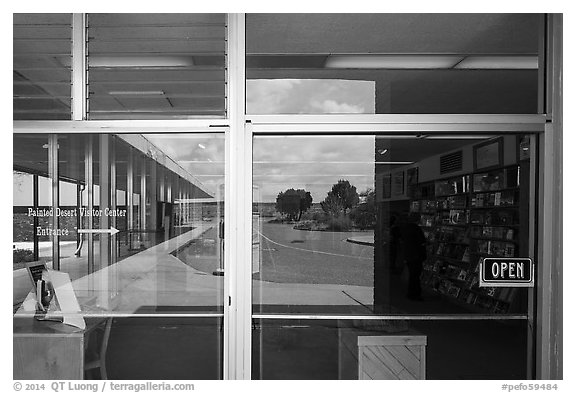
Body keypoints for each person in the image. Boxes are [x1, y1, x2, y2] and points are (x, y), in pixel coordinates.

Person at [399, 212, 427, 300]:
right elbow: (421, 242)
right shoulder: (417, 229)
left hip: (408, 255)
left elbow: (402, 240)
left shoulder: (405, 228)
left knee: (412, 275)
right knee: (415, 276)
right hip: (416, 255)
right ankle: (415, 294)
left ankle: (411, 293)